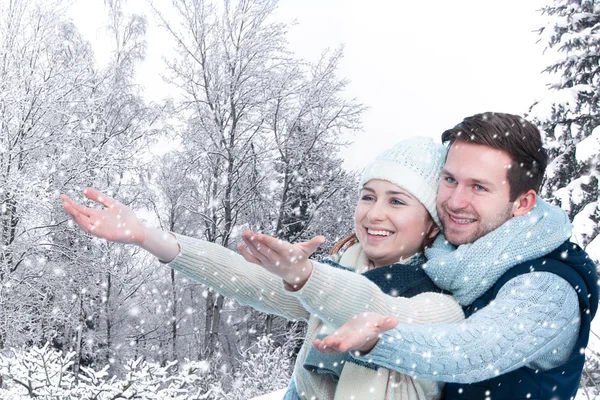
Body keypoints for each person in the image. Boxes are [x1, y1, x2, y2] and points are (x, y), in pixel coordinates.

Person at [61, 137, 467, 399]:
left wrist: (307, 278)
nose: (374, 213)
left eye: (397, 201)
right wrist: (146, 235)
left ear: (431, 221)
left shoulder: (441, 303)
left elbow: (386, 313)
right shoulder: (336, 275)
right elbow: (245, 278)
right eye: (368, 196)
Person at [309, 112, 598, 400]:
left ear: (522, 203)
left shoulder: (548, 287)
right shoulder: (451, 260)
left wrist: (377, 340)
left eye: (478, 187)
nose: (455, 202)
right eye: (450, 180)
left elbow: (473, 349)